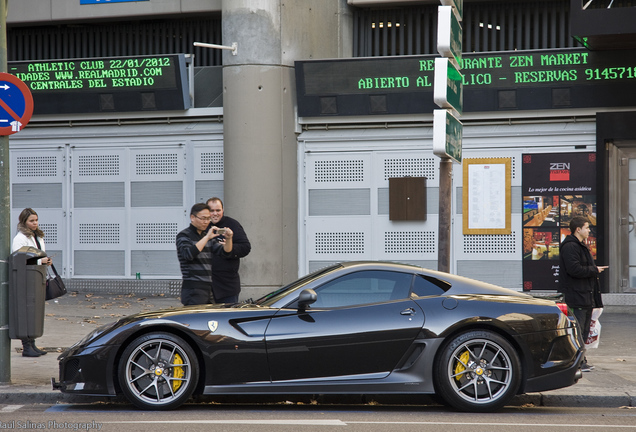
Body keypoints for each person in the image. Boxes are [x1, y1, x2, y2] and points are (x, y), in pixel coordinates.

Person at [559, 216, 606, 372]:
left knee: (583, 330)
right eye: (587, 227)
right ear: (578, 229)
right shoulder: (571, 246)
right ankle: (577, 362)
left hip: (584, 295)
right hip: (577, 296)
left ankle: (580, 360)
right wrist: (594, 270)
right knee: (578, 330)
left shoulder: (579, 245)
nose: (589, 230)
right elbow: (574, 269)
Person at [11, 208, 52, 357]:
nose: (35, 223)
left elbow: (38, 254)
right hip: (26, 278)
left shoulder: (37, 236)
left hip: (36, 276)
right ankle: (26, 346)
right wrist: (41, 260)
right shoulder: (20, 238)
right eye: (31, 221)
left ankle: (32, 344)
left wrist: (45, 261)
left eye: (36, 220)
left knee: (34, 311)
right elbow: (20, 258)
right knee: (26, 310)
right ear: (24, 222)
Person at [176, 203, 233, 306]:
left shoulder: (205, 236)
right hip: (192, 289)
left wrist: (229, 238)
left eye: (208, 218)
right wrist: (207, 237)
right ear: (192, 217)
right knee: (194, 320)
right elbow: (188, 254)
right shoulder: (184, 235)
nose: (206, 222)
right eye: (203, 218)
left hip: (207, 288)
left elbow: (225, 252)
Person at [206, 197, 251, 304]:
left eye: (218, 210)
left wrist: (230, 247)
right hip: (204, 288)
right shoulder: (203, 226)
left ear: (223, 210)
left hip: (227, 286)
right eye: (211, 211)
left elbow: (246, 247)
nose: (215, 214)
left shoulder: (232, 224)